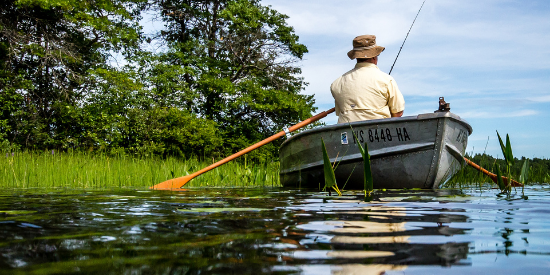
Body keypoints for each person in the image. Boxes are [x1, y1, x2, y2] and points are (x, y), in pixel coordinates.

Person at [331, 35, 405, 124]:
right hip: (379, 134)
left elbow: (340, 112)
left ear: (356, 57)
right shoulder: (386, 80)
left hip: (346, 135)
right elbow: (398, 113)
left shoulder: (336, 84)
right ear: (374, 56)